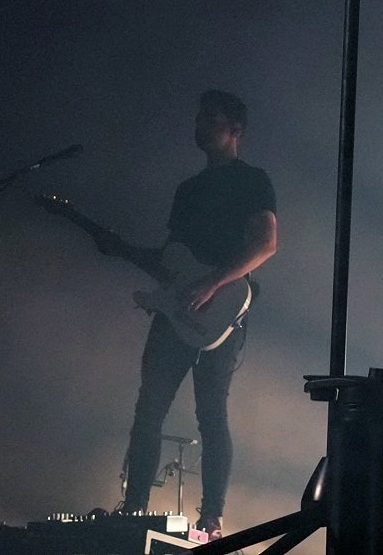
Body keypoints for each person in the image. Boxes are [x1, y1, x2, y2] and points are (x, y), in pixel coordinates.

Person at [117, 90, 279, 540]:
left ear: (235, 130)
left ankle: (212, 519)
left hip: (222, 316)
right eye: (200, 116)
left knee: (211, 414)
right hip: (176, 313)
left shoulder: (252, 180)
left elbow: (266, 243)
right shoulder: (187, 190)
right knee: (148, 408)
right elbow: (173, 260)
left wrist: (214, 283)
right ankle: (134, 509)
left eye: (212, 117)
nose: (201, 123)